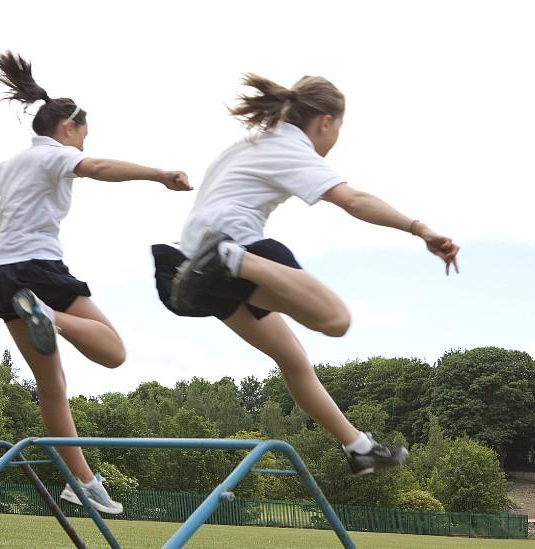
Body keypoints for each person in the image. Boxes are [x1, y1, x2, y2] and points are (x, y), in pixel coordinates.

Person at [0, 51, 191, 515]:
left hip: (0, 277)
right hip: (38, 269)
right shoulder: (58, 157)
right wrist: (159, 175)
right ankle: (50, 315)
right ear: (69, 129)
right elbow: (99, 169)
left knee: (51, 387)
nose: (83, 143)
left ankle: (82, 481)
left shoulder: (10, 164)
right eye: (84, 134)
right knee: (113, 352)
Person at [152, 74, 460, 475]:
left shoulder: (254, 142)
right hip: (231, 247)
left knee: (293, 359)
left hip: (190, 268)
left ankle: (359, 447)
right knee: (335, 319)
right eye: (340, 129)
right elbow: (353, 199)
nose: (335, 141)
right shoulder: (290, 145)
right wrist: (420, 228)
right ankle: (227, 259)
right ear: (326, 121)